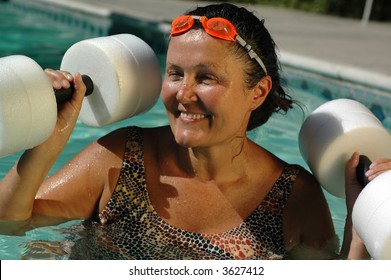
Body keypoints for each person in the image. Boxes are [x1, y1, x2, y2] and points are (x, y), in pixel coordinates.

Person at [0, 2, 388, 260]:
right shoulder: (120, 158)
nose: (183, 94)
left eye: (206, 78)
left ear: (258, 92)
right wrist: (47, 141)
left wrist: (360, 219)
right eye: (175, 74)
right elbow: (10, 222)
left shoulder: (293, 198)